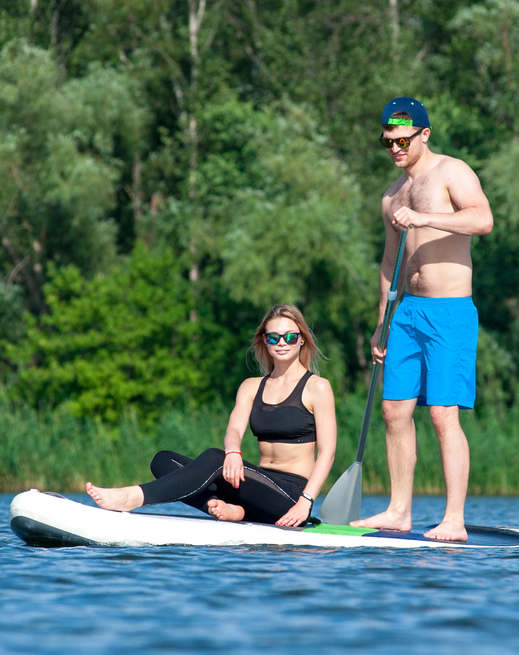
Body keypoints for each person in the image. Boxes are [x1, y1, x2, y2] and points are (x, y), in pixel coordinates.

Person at [351, 97, 494, 542]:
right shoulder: (391, 196)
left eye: (403, 140)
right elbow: (389, 261)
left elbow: (483, 220)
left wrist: (425, 218)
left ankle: (454, 519)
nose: (395, 148)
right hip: (407, 313)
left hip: (449, 311)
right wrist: (381, 322)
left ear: (424, 135)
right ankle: (398, 511)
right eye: (387, 141)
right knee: (394, 410)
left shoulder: (453, 171)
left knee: (442, 415)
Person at [86, 304, 337, 527]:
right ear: (264, 340)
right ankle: (230, 508)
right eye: (274, 337)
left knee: (214, 459)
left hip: (291, 495)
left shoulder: (317, 387)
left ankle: (132, 497)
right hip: (257, 484)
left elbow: (327, 453)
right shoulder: (251, 386)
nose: (282, 343)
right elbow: (234, 430)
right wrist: (233, 452)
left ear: (302, 340)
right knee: (163, 461)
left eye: (290, 336)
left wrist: (305, 502)